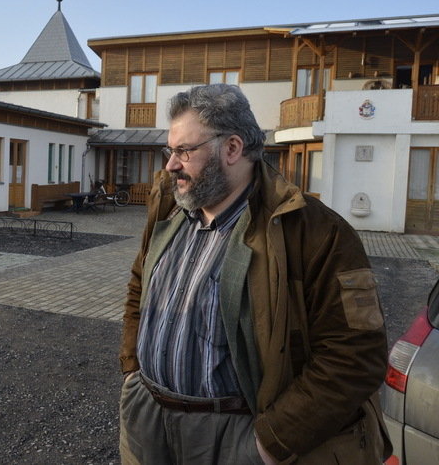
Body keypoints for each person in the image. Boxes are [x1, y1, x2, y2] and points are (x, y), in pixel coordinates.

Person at [119, 84, 391, 464]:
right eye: (171, 150)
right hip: (146, 417)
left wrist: (270, 442)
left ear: (232, 149)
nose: (171, 164)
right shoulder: (169, 207)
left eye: (184, 151)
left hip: (235, 435)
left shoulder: (315, 232)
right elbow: (139, 286)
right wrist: (132, 369)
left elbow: (355, 356)